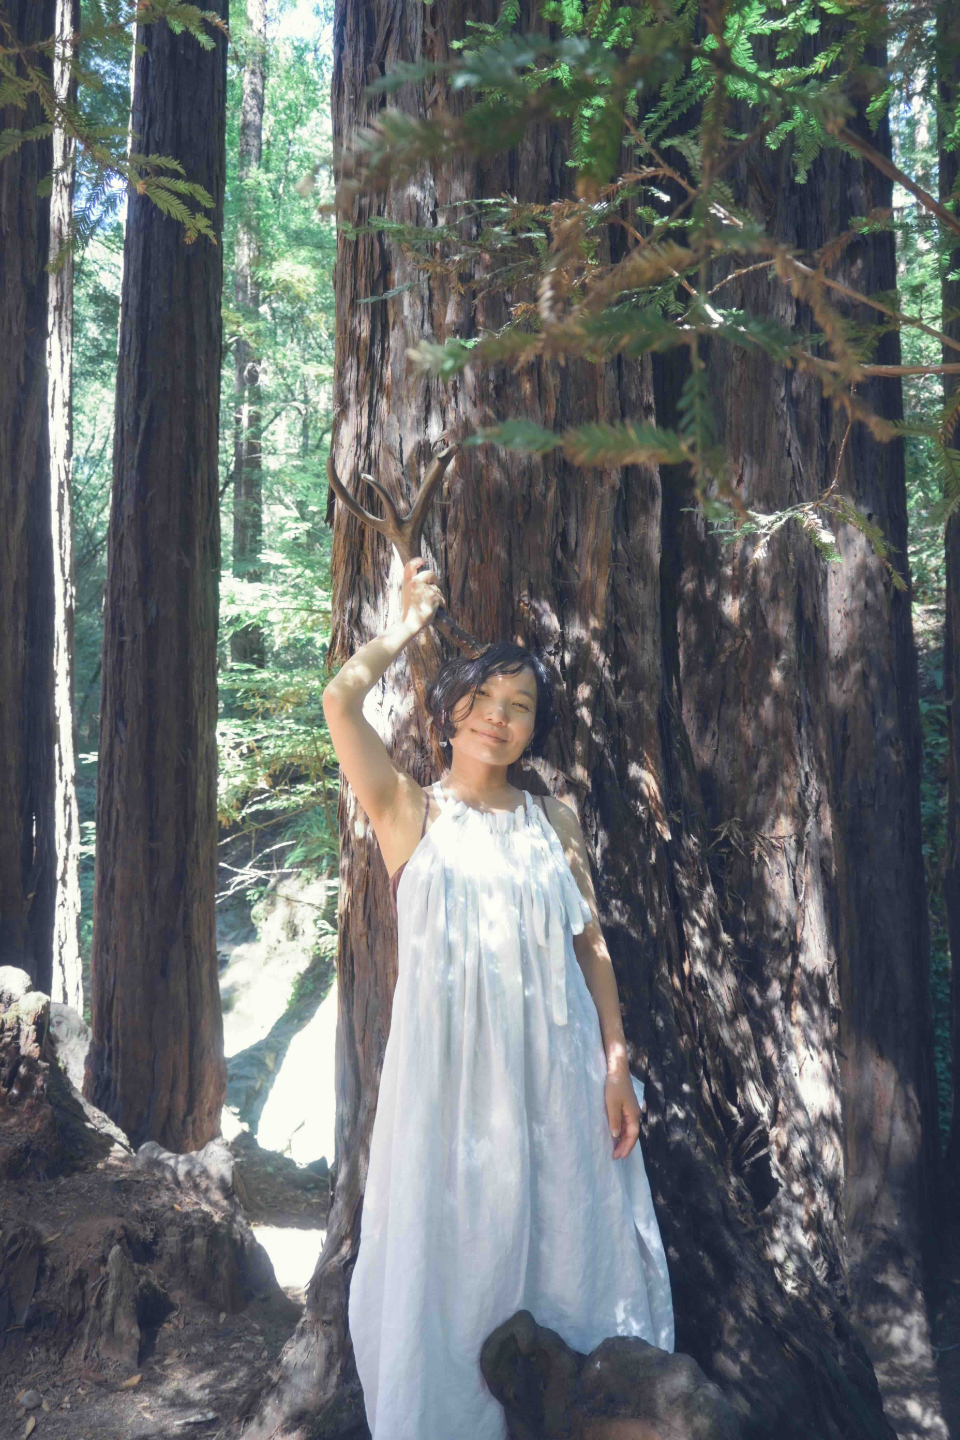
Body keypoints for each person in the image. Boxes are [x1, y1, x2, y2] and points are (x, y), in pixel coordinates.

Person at [322, 557, 674, 1440]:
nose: (497, 716)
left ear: (534, 730)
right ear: (449, 710)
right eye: (481, 697)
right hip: (448, 1091)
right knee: (453, 1259)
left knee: (570, 1246)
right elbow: (339, 702)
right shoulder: (410, 811)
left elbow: (590, 947)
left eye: (519, 706)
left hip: (557, 1081)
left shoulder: (554, 820)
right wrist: (404, 627)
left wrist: (616, 1065)